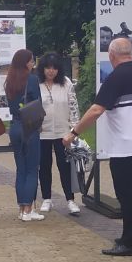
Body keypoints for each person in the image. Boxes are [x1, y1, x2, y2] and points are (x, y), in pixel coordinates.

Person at [65, 37, 132, 255]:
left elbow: (96, 110)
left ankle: (130, 243)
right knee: (130, 193)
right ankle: (128, 236)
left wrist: (73, 133)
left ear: (111, 56)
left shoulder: (115, 77)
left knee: (126, 195)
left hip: (124, 147)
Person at [37, 52, 81, 215]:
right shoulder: (37, 84)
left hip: (63, 133)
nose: (50, 71)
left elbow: (73, 107)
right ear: (42, 68)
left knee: (65, 166)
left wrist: (74, 130)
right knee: (44, 166)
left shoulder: (66, 83)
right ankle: (47, 199)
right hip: (43, 132)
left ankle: (70, 200)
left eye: (54, 68)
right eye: (48, 68)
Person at [5, 49, 44, 221]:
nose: (32, 63)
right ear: (25, 62)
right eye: (30, 60)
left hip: (14, 126)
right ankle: (29, 209)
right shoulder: (33, 79)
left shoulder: (10, 81)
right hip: (29, 127)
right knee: (32, 169)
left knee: (20, 169)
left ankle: (21, 208)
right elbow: (38, 104)